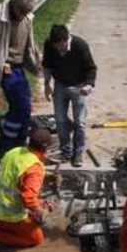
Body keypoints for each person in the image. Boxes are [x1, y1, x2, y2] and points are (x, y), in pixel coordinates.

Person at [0, 0, 42, 154]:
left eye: (27, 13)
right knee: (22, 106)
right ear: (14, 5)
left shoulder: (27, 18)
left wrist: (37, 58)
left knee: (23, 108)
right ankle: (5, 141)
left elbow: (29, 42)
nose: (23, 16)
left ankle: (17, 140)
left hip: (20, 67)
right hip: (6, 68)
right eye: (22, 12)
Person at [0, 127, 56, 249]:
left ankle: (9, 228)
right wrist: (41, 212)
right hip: (7, 215)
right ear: (45, 148)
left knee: (38, 206)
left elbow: (15, 179)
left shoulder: (16, 151)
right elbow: (29, 198)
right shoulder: (35, 168)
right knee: (36, 238)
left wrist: (39, 203)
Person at [42, 24, 97, 167]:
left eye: (62, 46)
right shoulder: (49, 45)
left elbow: (91, 68)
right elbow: (47, 65)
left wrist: (89, 85)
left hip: (79, 86)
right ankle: (66, 151)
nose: (59, 50)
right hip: (60, 85)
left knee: (80, 122)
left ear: (67, 40)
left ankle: (78, 153)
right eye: (56, 47)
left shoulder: (80, 45)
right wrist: (47, 84)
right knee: (60, 120)